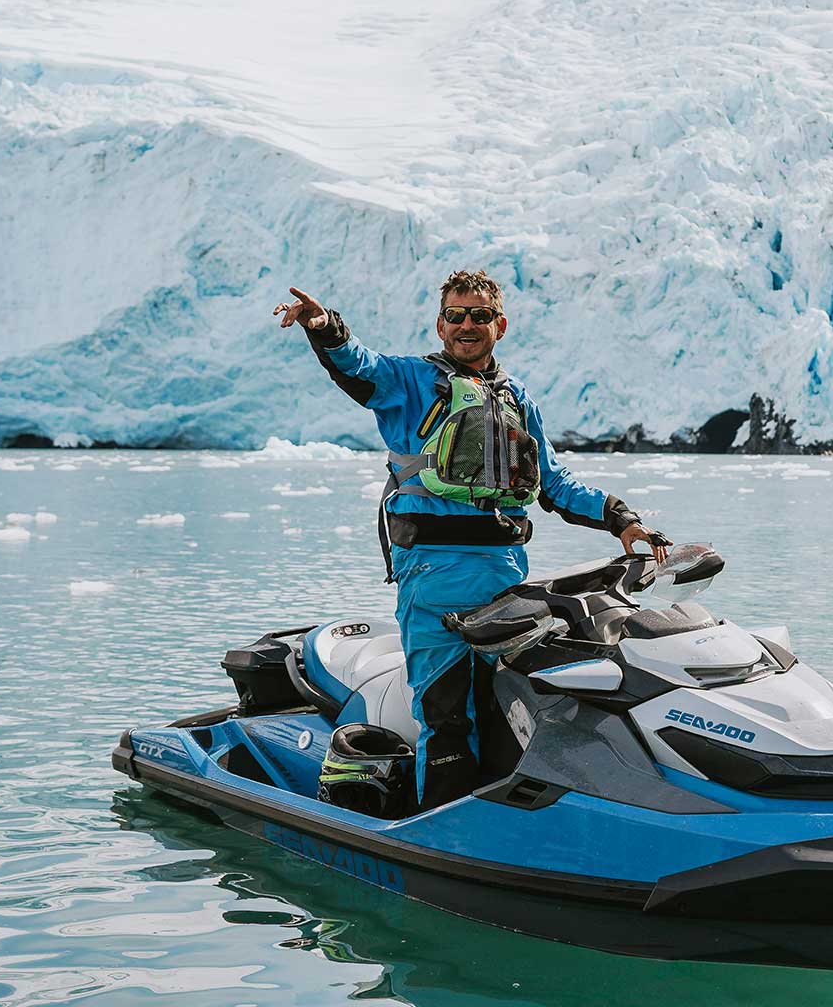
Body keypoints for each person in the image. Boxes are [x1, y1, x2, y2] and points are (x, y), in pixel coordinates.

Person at [274, 269, 665, 809]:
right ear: (440, 324)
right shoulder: (409, 383)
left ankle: (510, 824)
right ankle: (438, 830)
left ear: (498, 325)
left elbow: (553, 483)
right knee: (447, 720)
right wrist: (324, 326)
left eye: (479, 315)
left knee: (513, 712)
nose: (466, 325)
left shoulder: (516, 399)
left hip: (504, 580)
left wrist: (621, 518)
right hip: (432, 579)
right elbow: (357, 365)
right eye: (455, 315)